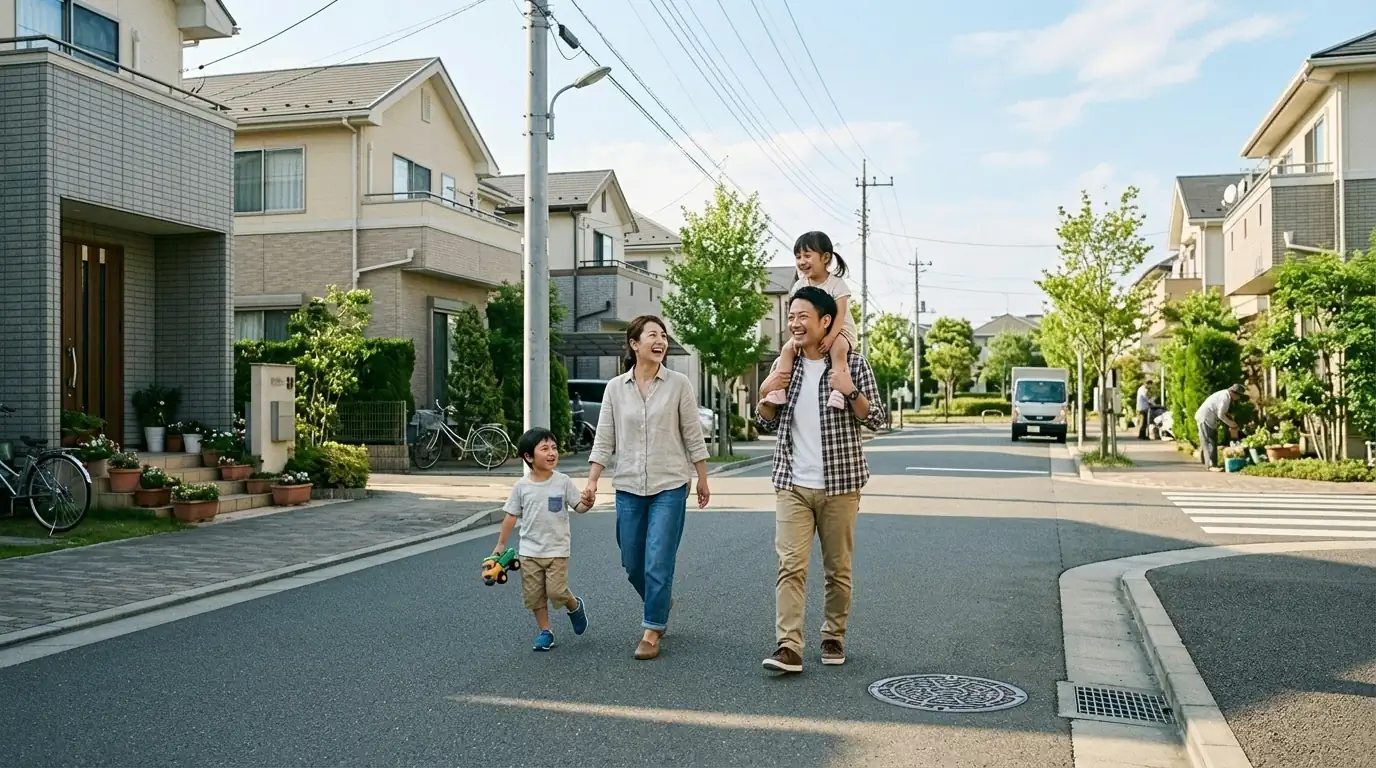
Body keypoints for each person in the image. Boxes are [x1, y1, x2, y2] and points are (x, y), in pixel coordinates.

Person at [755, 286, 888, 674]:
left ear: (826, 321)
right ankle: (789, 646)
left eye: (803, 317)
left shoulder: (854, 364)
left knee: (837, 570)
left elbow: (876, 419)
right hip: (792, 483)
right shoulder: (786, 365)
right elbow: (765, 422)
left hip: (840, 485)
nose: (794, 324)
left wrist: (850, 391)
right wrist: (766, 401)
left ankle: (833, 634)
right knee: (790, 566)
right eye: (791, 317)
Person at [583, 315, 710, 661]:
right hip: (627, 485)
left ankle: (652, 629)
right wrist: (592, 480)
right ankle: (660, 599)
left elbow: (692, 433)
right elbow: (604, 438)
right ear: (634, 343)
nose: (661, 340)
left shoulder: (679, 384)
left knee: (658, 560)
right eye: (652, 335)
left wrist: (702, 476)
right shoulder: (615, 388)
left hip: (670, 484)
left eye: (663, 335)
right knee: (632, 561)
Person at [493, 427, 591, 651]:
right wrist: (500, 545)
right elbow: (510, 517)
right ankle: (546, 632)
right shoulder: (521, 487)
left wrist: (588, 502)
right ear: (528, 457)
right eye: (545, 449)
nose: (552, 453)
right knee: (535, 597)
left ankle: (574, 606)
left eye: (554, 448)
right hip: (529, 552)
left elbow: (579, 506)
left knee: (556, 592)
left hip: (557, 549)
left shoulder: (563, 481)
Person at [773, 231, 859, 410]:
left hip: (840, 330)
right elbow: (796, 313)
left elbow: (840, 315)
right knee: (787, 349)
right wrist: (796, 337)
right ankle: (779, 390)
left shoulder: (836, 284)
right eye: (798, 257)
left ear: (825, 258)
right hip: (811, 332)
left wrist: (830, 337)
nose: (801, 261)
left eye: (807, 256)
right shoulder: (799, 285)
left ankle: (838, 390)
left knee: (838, 349)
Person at [1195, 384, 1244, 472]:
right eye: (1239, 395)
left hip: (1207, 417)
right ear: (1233, 392)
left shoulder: (1225, 395)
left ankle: (1206, 462)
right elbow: (1220, 415)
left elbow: (1223, 412)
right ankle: (1211, 466)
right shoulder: (1225, 398)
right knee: (1210, 441)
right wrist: (1231, 424)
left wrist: (1231, 420)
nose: (1239, 398)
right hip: (1205, 418)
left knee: (1208, 440)